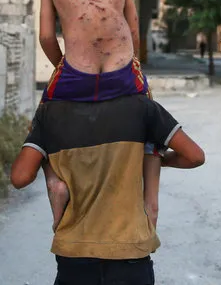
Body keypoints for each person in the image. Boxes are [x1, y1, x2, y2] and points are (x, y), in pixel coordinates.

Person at [36, 0, 163, 232]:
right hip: (121, 77)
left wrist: (62, 68)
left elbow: (47, 36)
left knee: (41, 127)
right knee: (150, 127)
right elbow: (133, 34)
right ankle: (150, 201)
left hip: (75, 75)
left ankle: (55, 181)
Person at [11, 95, 206, 284]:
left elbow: (20, 177)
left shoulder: (50, 112)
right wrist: (149, 159)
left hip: (74, 252)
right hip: (130, 251)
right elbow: (195, 156)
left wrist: (48, 163)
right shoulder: (143, 107)